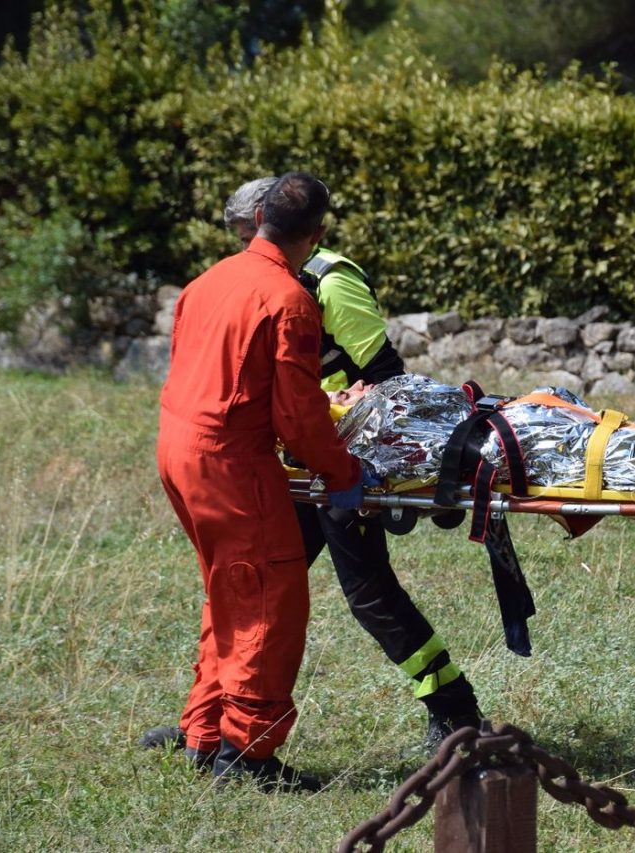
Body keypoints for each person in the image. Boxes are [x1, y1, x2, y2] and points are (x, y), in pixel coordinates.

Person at [143, 176, 482, 761]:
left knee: (365, 592)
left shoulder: (328, 281)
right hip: (276, 463)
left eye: (248, 231)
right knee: (247, 591)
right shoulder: (254, 280)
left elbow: (384, 374)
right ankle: (216, 724)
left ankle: (454, 710)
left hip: (334, 460)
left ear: (268, 220)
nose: (247, 242)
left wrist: (349, 465)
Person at [154, 171, 373, 791]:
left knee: (229, 589)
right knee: (269, 603)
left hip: (177, 450)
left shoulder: (206, 282)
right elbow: (297, 416)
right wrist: (342, 470)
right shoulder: (289, 300)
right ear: (319, 233)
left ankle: (203, 733)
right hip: (231, 463)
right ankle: (246, 755)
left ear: (259, 220)